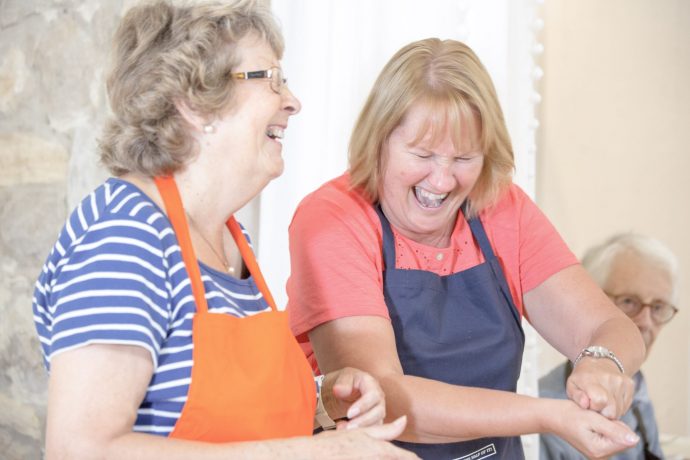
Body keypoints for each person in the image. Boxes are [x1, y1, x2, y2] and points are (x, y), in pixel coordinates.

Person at [31, 1, 418, 458]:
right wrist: (317, 454)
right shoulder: (126, 235)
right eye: (271, 78)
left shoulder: (232, 242)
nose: (292, 100)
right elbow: (82, 449)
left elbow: (221, 421)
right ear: (195, 103)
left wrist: (321, 399)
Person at [286, 37, 647, 459]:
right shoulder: (333, 218)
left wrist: (602, 364)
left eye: (463, 159)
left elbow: (611, 327)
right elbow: (382, 398)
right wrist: (548, 415)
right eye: (422, 154)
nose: (441, 181)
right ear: (379, 140)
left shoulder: (501, 207)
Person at [540, 233, 678, 459]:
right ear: (588, 302)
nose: (645, 321)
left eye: (658, 307)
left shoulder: (636, 384)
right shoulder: (547, 411)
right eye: (629, 301)